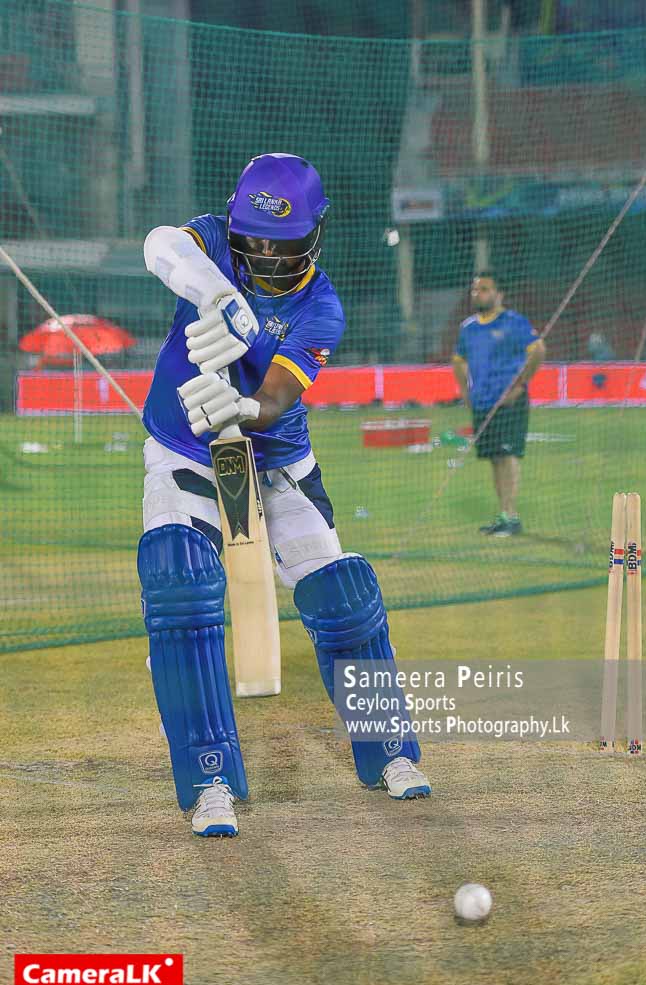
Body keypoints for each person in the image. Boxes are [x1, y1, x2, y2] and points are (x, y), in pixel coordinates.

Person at [138, 153, 431, 837]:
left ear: (314, 234)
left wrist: (243, 407)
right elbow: (160, 244)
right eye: (255, 240)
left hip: (274, 461)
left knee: (344, 599)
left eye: (282, 242)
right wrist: (216, 295)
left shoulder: (320, 308)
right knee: (180, 586)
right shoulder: (213, 243)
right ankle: (210, 778)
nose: (266, 255)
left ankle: (389, 749)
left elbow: (274, 400)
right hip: (185, 450)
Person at [452, 271, 546, 537]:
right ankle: (503, 515)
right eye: (475, 289)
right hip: (482, 402)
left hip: (509, 402)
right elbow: (458, 360)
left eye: (484, 289)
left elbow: (538, 350)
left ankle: (512, 517)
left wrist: (520, 385)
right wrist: (465, 391)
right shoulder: (468, 327)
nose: (477, 294)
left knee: (507, 455)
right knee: (494, 458)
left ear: (499, 294)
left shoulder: (514, 322)